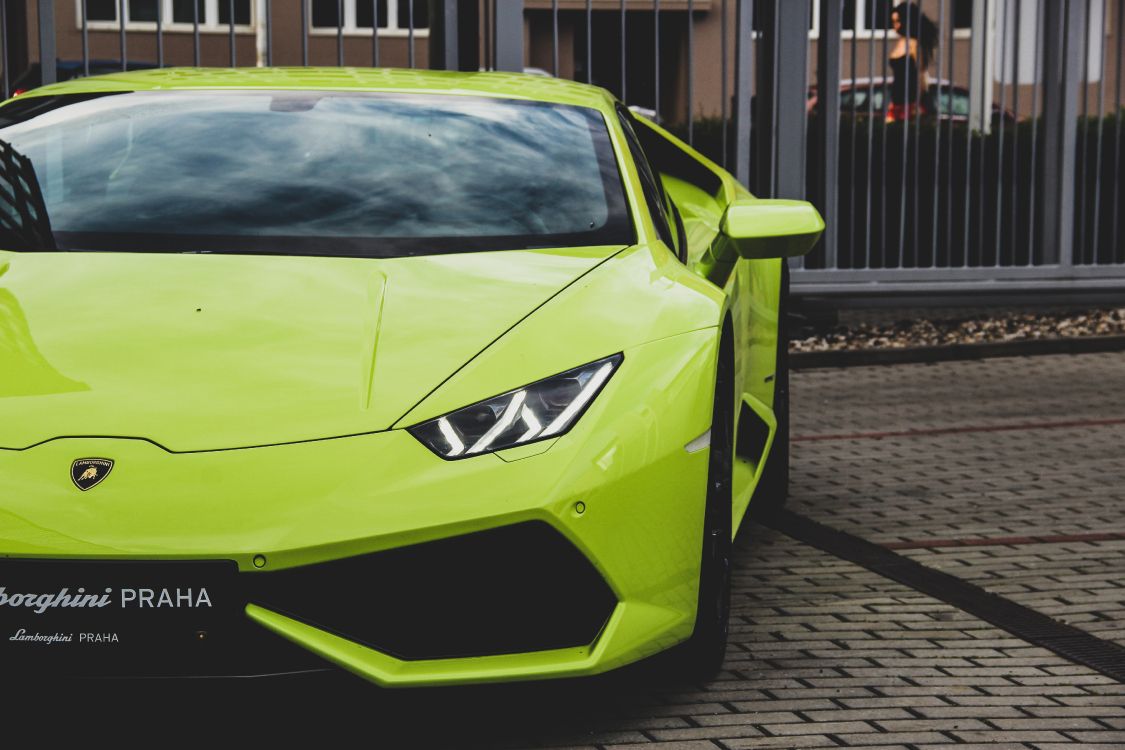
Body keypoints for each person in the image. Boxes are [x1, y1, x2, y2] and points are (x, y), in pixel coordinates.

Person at [886, 2, 939, 122]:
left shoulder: (914, 44)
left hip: (911, 101)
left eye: (898, 21)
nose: (895, 26)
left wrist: (917, 102)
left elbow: (921, 74)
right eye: (893, 22)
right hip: (896, 100)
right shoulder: (900, 42)